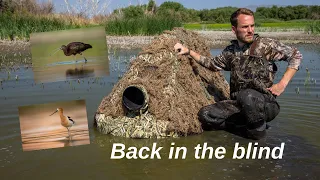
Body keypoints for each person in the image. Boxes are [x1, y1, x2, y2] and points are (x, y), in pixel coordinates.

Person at [174, 8, 302, 140]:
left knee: (247, 95)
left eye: (252, 26)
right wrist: (188, 51)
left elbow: (295, 55)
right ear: (234, 30)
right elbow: (212, 64)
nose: (250, 30)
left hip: (265, 104)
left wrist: (282, 83)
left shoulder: (266, 45)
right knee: (205, 114)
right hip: (239, 105)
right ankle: (246, 130)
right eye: (245, 27)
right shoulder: (230, 51)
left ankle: (259, 144)